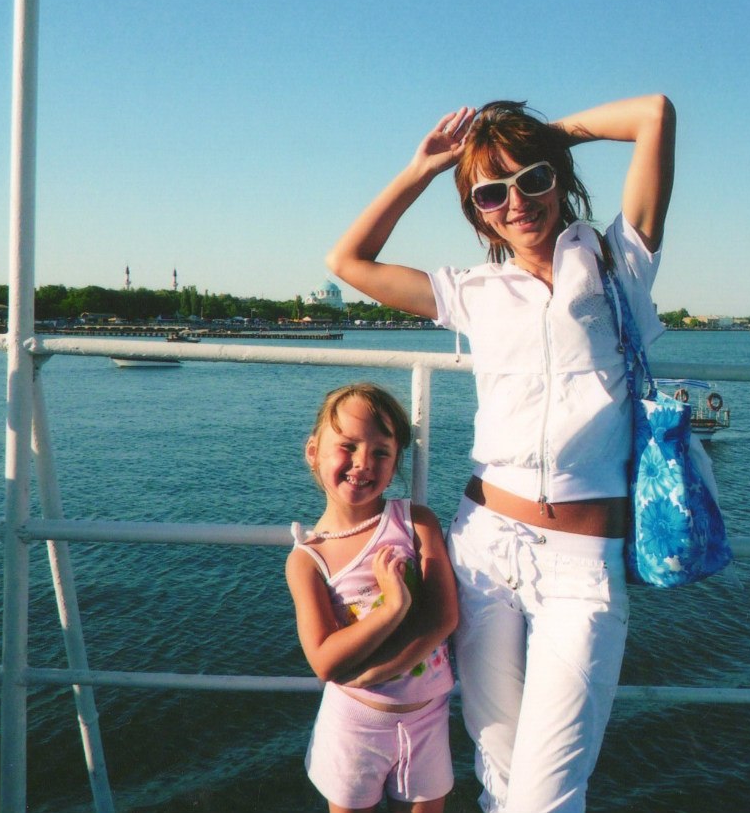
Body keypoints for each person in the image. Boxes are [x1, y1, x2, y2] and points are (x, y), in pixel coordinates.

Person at [326, 95, 676, 813]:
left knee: (547, 796)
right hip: (483, 552)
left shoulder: (617, 262)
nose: (516, 202)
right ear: (477, 212)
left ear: (559, 178)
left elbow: (654, 115)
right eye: (492, 192)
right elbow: (348, 261)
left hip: (583, 566)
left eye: (533, 179)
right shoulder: (473, 292)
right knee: (503, 780)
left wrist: (535, 137)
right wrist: (423, 169)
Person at [286, 382, 459, 813]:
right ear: (314, 452)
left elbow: (443, 616)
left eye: (381, 452)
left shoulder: (415, 523)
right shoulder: (308, 560)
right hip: (354, 726)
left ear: (396, 461)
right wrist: (393, 607)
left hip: (427, 718)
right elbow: (324, 661)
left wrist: (373, 671)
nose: (363, 462)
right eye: (347, 446)